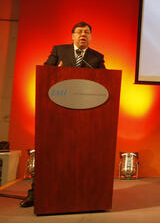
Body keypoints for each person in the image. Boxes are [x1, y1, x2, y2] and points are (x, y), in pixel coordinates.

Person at [20, 22, 106, 208]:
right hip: (58, 111)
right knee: (49, 153)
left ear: (91, 37)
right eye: (80, 32)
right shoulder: (59, 50)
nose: (83, 35)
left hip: (85, 113)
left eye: (87, 32)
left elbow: (106, 81)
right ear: (72, 35)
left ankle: (79, 194)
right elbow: (45, 72)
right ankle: (35, 194)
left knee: (81, 155)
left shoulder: (97, 57)